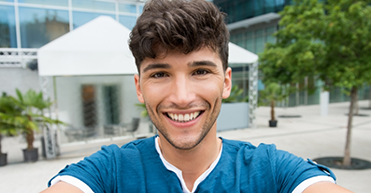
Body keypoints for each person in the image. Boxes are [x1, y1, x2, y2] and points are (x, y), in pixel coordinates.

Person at [41, 0, 353, 192]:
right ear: (139, 87)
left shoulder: (270, 169)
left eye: (200, 71)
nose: (181, 96)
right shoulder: (109, 170)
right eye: (160, 74)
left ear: (226, 82)